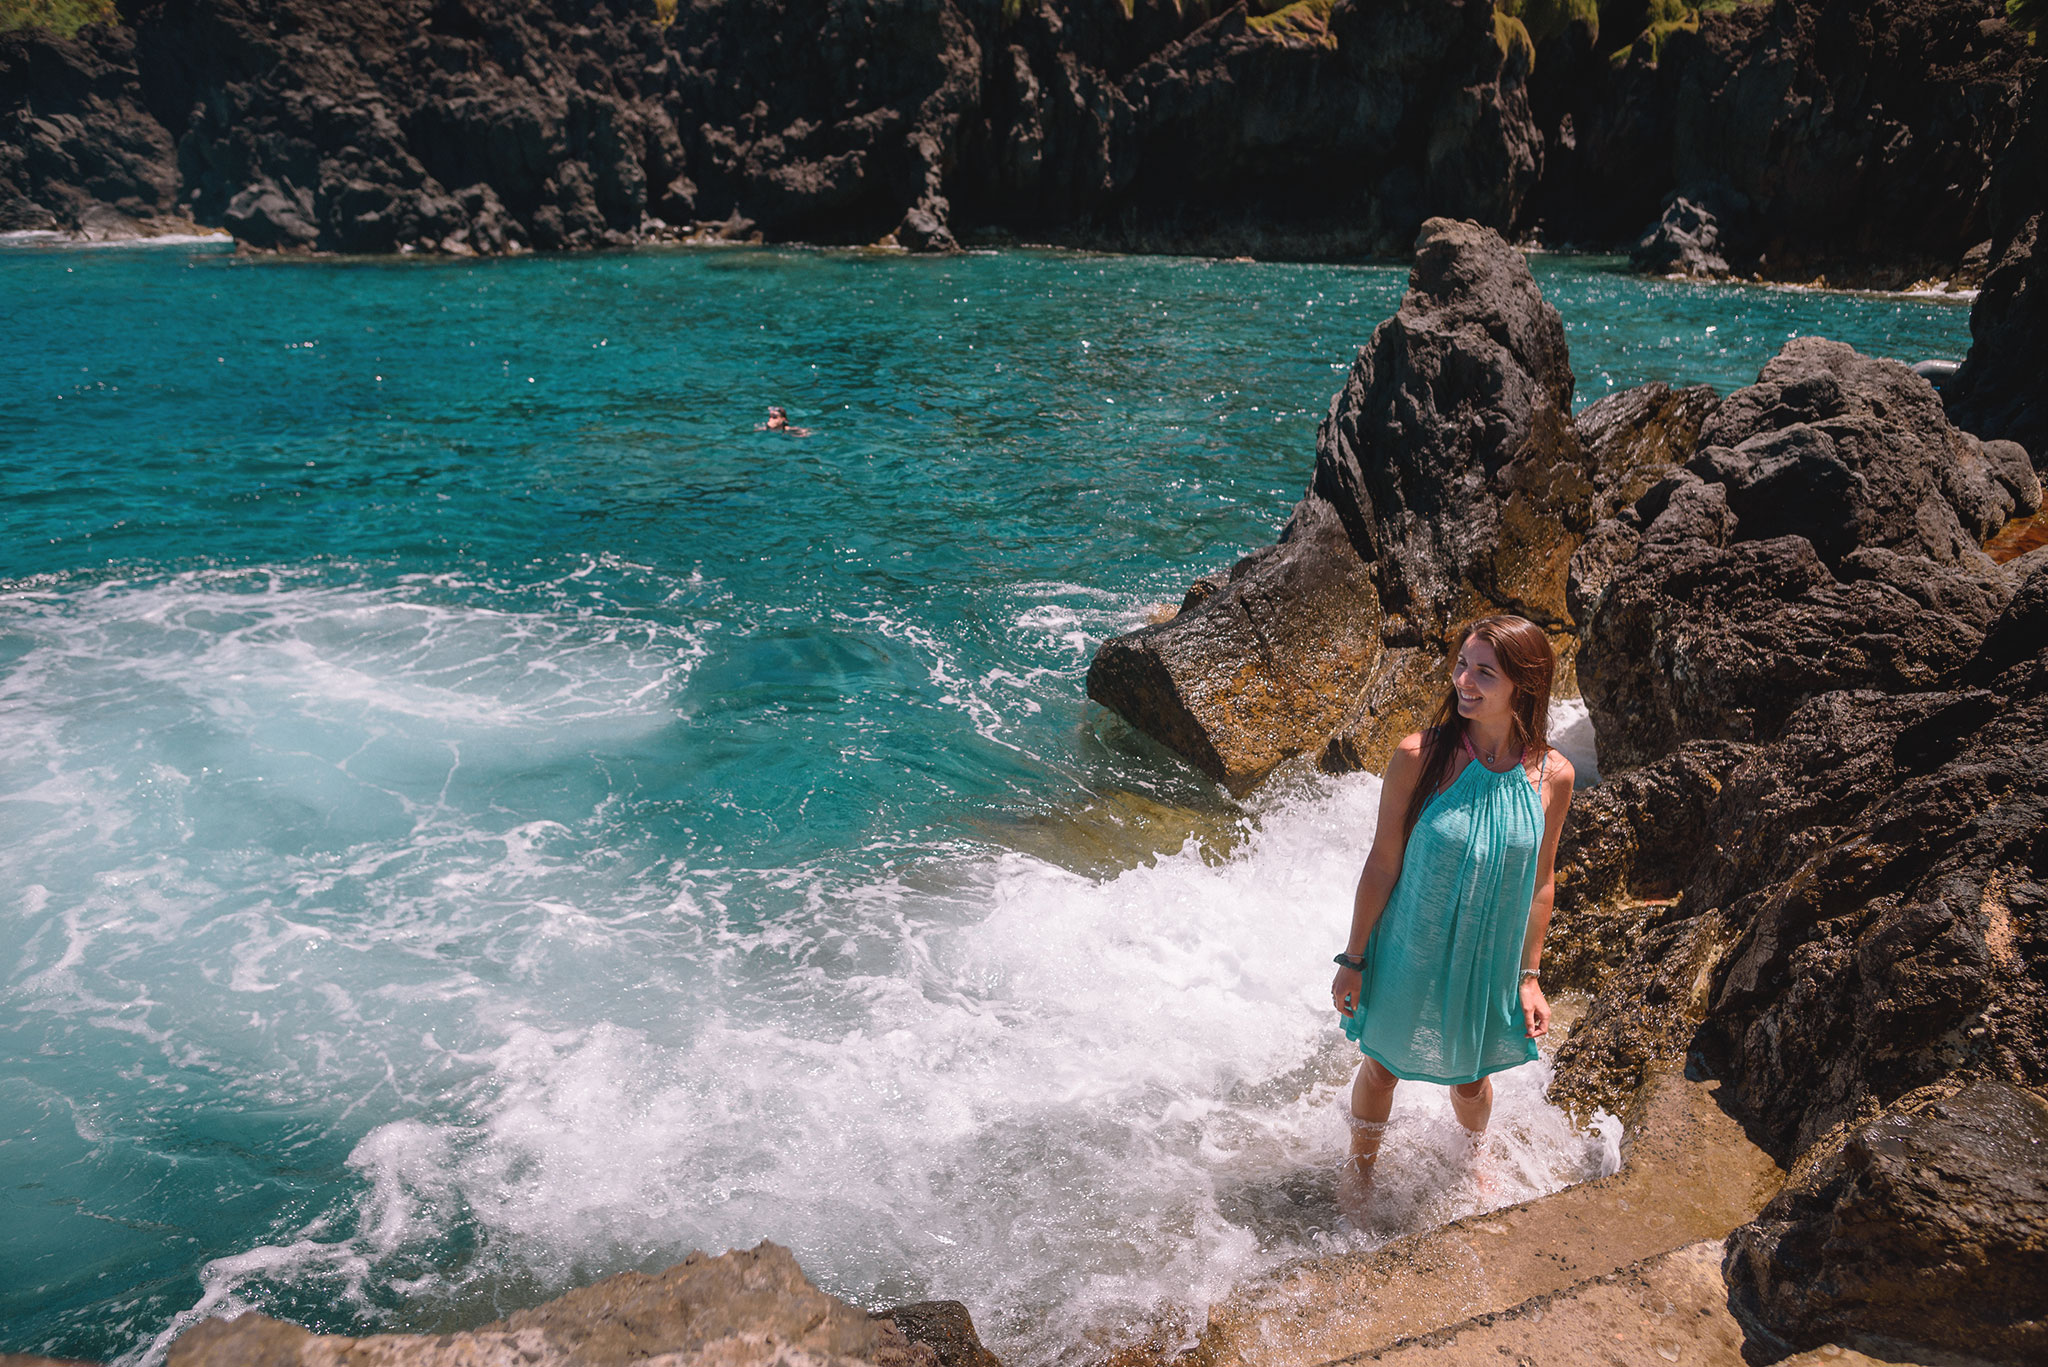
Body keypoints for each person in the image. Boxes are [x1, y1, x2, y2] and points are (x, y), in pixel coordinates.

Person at [1328, 614, 1574, 1218]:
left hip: (1486, 953)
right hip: (1411, 942)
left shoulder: (1553, 775)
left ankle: (1472, 1161)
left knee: (1470, 1076)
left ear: (1526, 683)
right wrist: (1353, 960)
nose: (1464, 679)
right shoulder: (1421, 756)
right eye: (1463, 663)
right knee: (1383, 1068)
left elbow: (1542, 884)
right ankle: (1359, 1174)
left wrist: (1529, 975)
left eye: (1484, 671)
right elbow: (1382, 864)